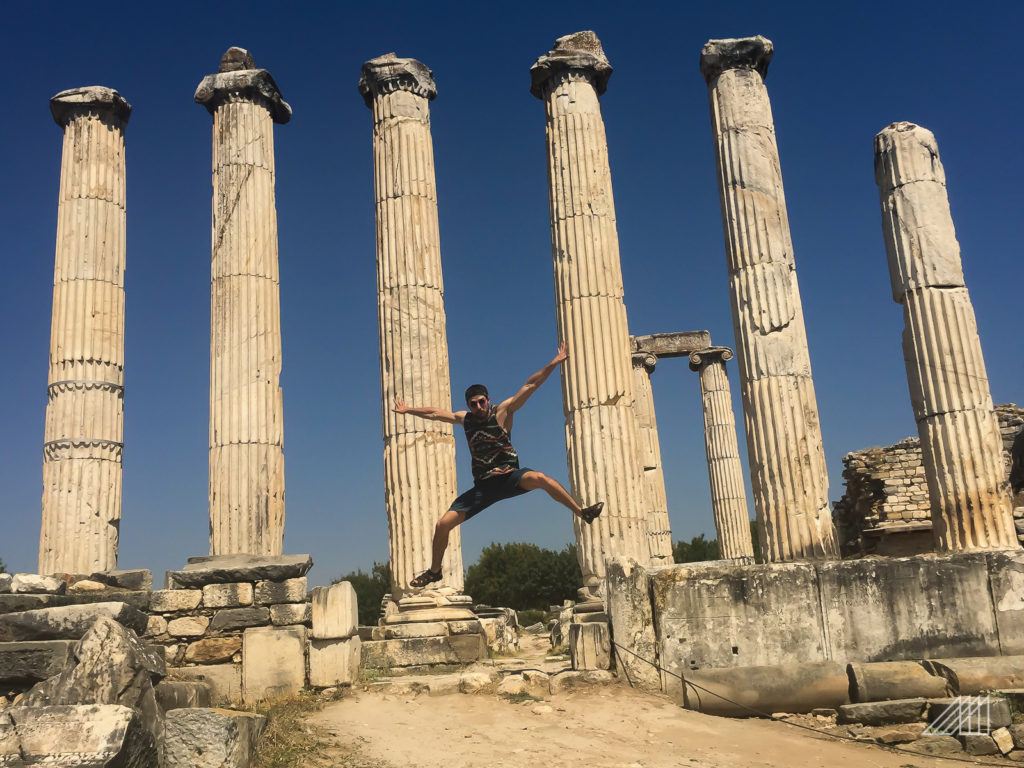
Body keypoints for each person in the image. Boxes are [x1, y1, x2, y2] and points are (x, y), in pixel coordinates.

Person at [393, 342, 604, 589]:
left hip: (510, 477)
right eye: (474, 404)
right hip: (484, 488)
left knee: (542, 479)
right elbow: (435, 413)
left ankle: (582, 512)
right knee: (442, 524)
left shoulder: (503, 411)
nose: (479, 407)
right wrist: (408, 410)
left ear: (488, 399)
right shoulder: (465, 419)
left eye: (482, 402)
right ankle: (434, 571)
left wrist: (554, 362)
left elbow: (531, 385)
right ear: (469, 405)